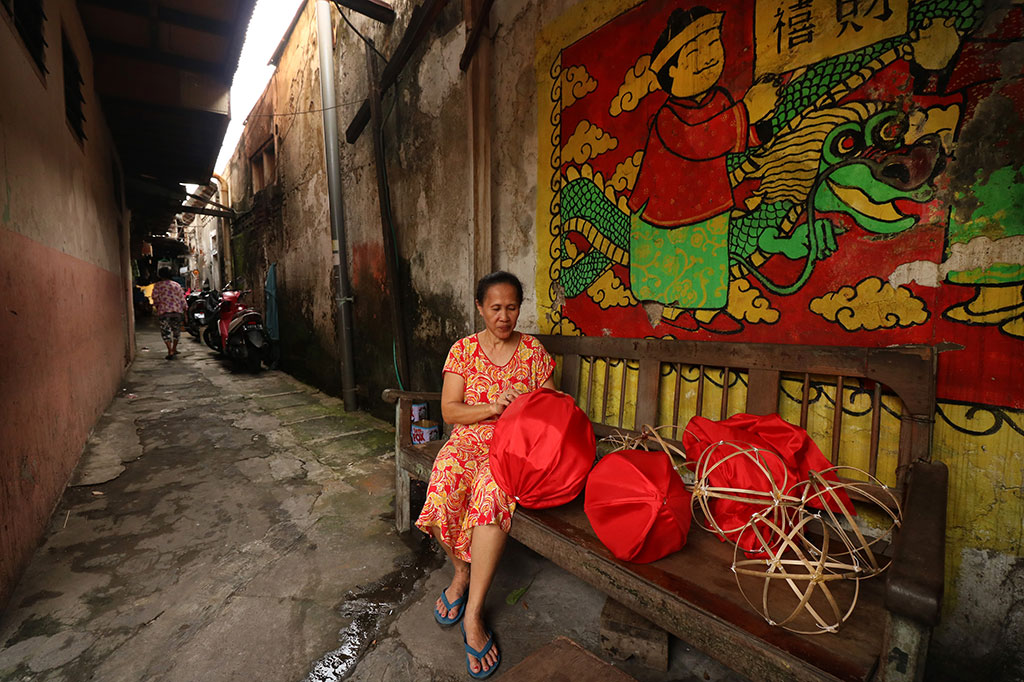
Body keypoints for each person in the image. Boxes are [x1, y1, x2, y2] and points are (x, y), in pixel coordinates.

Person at [415, 271, 556, 679]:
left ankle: (473, 615)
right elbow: (451, 411)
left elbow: (550, 408)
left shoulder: (532, 351)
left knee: (492, 496)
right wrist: (494, 406)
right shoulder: (463, 350)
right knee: (440, 491)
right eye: (495, 308)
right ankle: (461, 572)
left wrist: (526, 401)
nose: (504, 316)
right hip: (468, 440)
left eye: (512, 307)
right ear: (479, 307)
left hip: (513, 448)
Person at [627, 6, 778, 309]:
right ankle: (660, 303)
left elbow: (729, 137)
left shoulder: (720, 99)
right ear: (671, 71)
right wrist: (746, 112)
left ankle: (706, 307)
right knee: (663, 265)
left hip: (709, 201)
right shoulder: (667, 117)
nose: (708, 57)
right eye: (695, 52)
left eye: (712, 45)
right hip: (663, 210)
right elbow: (699, 141)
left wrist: (759, 129)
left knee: (707, 262)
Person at [151, 267, 187, 359]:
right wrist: (185, 309)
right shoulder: (176, 285)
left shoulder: (158, 286)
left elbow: (155, 298)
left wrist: (157, 306)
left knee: (165, 332)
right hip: (177, 312)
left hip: (164, 312)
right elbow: (182, 299)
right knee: (176, 331)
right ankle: (174, 348)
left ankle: (169, 350)